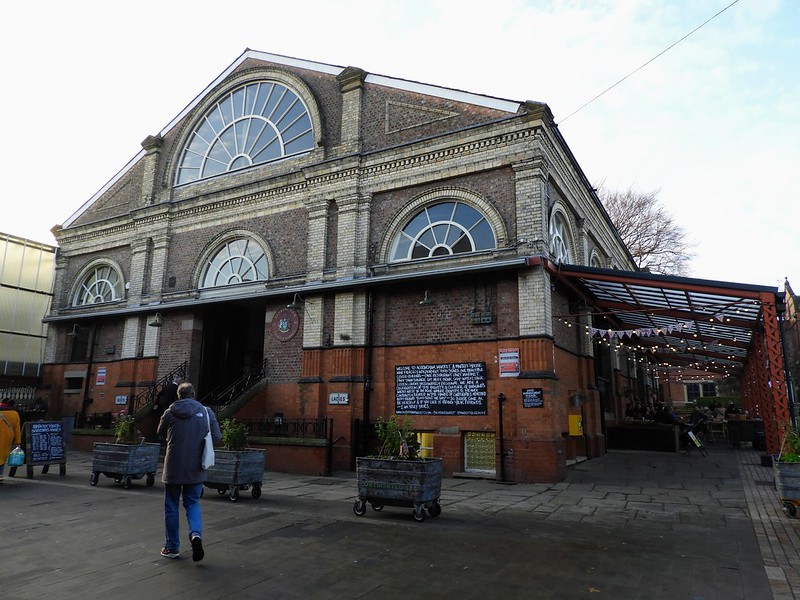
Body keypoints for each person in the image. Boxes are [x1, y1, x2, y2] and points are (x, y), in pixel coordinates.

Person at [157, 382, 221, 561]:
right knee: (192, 503)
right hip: (195, 467)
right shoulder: (207, 412)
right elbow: (217, 437)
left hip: (174, 467)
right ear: (193, 394)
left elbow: (160, 433)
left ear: (179, 396)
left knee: (171, 506)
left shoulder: (169, 413)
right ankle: (195, 535)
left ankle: (172, 547)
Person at [0, 397, 22, 484]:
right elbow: (17, 429)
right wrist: (18, 442)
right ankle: (0, 476)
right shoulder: (14, 414)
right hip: (7, 439)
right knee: (2, 457)